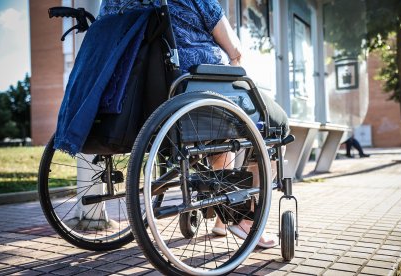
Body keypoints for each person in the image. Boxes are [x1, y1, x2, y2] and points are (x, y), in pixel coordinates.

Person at [98, 0, 288, 248]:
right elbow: (235, 50)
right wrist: (235, 72)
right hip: (196, 87)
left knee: (219, 129)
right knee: (277, 126)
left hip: (141, 102)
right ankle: (247, 218)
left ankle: (224, 216)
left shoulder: (110, 2)